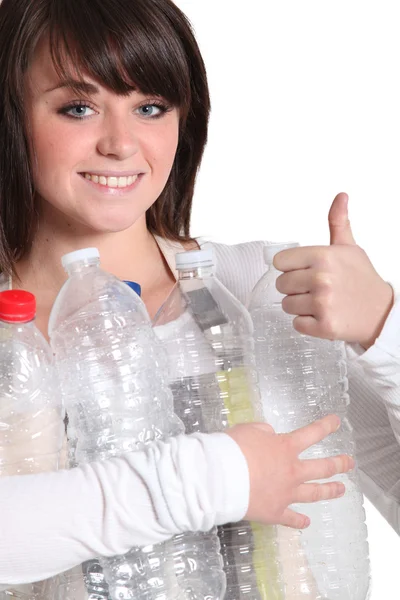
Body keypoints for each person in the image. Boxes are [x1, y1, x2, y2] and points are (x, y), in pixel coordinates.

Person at [0, 0, 397, 589]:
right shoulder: (13, 342)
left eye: (151, 107)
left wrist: (384, 328)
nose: (121, 142)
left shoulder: (261, 292)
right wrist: (216, 477)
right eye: (78, 108)